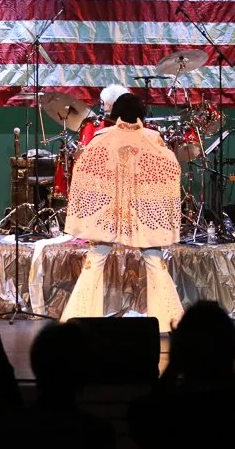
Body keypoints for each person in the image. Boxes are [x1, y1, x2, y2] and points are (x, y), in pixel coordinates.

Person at [61, 93, 185, 333]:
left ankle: (78, 321)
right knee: (154, 260)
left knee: (95, 260)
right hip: (142, 213)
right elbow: (172, 169)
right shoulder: (153, 139)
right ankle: (169, 322)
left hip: (108, 213)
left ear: (115, 113)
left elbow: (83, 170)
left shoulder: (101, 138)